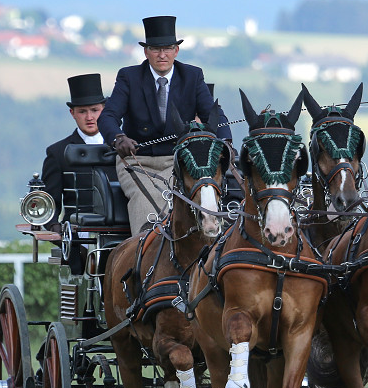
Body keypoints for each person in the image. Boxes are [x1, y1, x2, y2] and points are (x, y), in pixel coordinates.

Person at [98, 15, 231, 234]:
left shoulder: (192, 75)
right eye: (155, 49)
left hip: (177, 160)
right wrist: (118, 138)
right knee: (145, 204)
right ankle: (144, 257)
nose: (162, 55)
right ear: (146, 51)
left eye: (168, 48)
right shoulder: (129, 77)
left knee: (195, 199)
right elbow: (108, 116)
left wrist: (226, 141)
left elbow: (213, 114)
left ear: (176, 51)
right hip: (137, 161)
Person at [41, 73, 108, 272]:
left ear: (104, 110)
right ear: (72, 113)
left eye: (95, 110)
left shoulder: (121, 146)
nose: (90, 117)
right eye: (82, 111)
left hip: (121, 232)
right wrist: (55, 228)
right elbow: (51, 203)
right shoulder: (58, 153)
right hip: (79, 237)